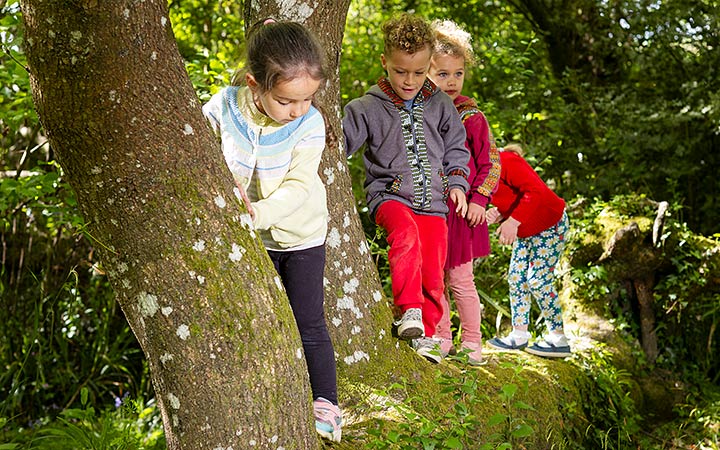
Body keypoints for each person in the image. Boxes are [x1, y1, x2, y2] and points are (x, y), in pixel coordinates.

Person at [202, 19, 342, 441]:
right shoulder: (221, 108)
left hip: (300, 236)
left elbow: (300, 186)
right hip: (247, 239)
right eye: (286, 101)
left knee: (307, 321)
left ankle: (326, 403)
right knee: (251, 319)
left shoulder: (309, 124)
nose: (298, 109)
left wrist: (258, 214)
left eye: (308, 99)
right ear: (254, 83)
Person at [342, 13, 471, 364]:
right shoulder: (365, 108)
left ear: (430, 64)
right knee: (407, 237)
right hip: (390, 197)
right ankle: (409, 310)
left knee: (433, 268)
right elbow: (338, 145)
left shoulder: (441, 104)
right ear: (385, 63)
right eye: (400, 71)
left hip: (434, 202)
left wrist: (457, 182)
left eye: (418, 71)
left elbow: (458, 147)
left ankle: (427, 335)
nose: (409, 80)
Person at [427, 19, 501, 365]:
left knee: (460, 280)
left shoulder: (472, 116)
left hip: (463, 213)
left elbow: (491, 163)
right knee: (434, 278)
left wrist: (479, 199)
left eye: (458, 73)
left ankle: (473, 341)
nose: (451, 81)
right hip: (432, 211)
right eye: (442, 74)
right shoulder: (422, 114)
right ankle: (440, 337)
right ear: (425, 73)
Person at [485, 144, 572, 358]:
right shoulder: (484, 171)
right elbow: (513, 197)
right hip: (527, 230)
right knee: (516, 278)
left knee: (538, 281)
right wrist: (499, 213)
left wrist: (512, 222)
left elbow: (536, 191)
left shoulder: (506, 160)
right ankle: (519, 334)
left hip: (549, 224)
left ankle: (558, 337)